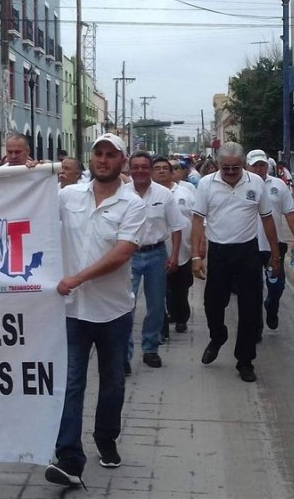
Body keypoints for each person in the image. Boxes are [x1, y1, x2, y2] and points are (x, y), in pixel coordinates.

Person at [46, 133, 148, 487]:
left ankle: (106, 438)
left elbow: (122, 254)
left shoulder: (133, 205)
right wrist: (26, 174)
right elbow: (31, 210)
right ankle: (69, 457)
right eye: (98, 154)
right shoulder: (67, 196)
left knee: (112, 383)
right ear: (90, 160)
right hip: (72, 311)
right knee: (71, 383)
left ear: (121, 162)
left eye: (110, 155)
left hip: (113, 311)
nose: (103, 160)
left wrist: (76, 277)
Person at [191, 142, 280, 383]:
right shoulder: (206, 184)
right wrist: (197, 256)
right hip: (219, 252)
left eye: (235, 168)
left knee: (250, 309)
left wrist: (275, 253)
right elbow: (198, 221)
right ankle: (218, 336)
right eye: (225, 168)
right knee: (212, 303)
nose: (230, 173)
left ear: (243, 165)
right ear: (218, 165)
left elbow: (267, 219)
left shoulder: (256, 183)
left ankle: (245, 360)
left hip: (247, 251)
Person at [124, 152, 182, 370]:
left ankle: (150, 348)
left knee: (156, 306)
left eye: (144, 167)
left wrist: (175, 255)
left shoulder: (164, 195)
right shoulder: (121, 193)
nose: (140, 171)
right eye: (135, 167)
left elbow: (176, 227)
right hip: (128, 255)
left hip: (157, 254)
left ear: (150, 169)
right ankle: (124, 355)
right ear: (130, 169)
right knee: (125, 305)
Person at [246, 150, 294, 336]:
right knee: (252, 291)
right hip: (249, 248)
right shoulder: (241, 186)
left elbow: (290, 213)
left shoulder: (278, 186)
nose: (259, 169)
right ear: (248, 166)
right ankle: (255, 327)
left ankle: (271, 306)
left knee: (276, 286)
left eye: (262, 165)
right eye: (255, 165)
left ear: (267, 165)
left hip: (273, 248)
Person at [156, 157, 196, 334]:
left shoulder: (186, 192)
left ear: (173, 173)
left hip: (183, 251)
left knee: (180, 289)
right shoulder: (147, 194)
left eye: (166, 168)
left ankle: (181, 318)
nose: (162, 171)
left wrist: (199, 247)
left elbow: (197, 220)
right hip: (157, 252)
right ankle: (162, 324)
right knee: (159, 291)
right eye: (157, 168)